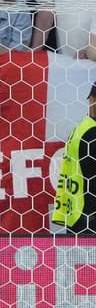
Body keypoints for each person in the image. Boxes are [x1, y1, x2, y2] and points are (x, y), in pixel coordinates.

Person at [53, 82, 96, 235]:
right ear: (91, 99)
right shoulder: (92, 133)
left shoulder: (82, 128)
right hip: (90, 220)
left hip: (78, 216)